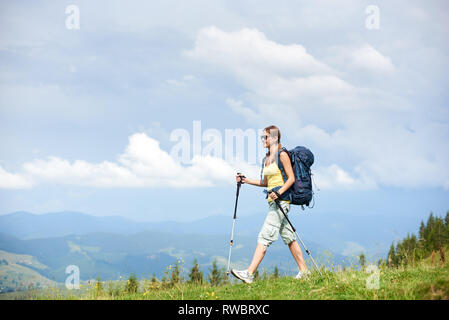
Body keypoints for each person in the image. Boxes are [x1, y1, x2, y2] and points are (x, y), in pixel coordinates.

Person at [230, 125, 310, 283]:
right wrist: (245, 180)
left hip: (282, 201)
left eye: (265, 137)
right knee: (288, 236)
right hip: (273, 201)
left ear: (274, 138)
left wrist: (279, 192)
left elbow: (291, 178)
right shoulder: (266, 159)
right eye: (262, 137)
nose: (263, 140)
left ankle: (249, 273)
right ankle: (305, 271)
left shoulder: (282, 155)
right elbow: (265, 182)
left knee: (264, 236)